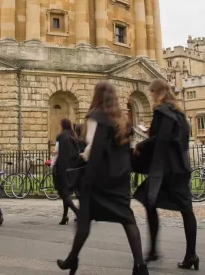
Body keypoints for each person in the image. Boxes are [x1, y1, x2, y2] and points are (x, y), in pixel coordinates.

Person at [57, 81, 148, 275]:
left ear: (97, 96)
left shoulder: (95, 117)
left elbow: (93, 149)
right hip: (121, 176)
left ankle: (73, 259)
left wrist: (86, 175)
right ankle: (140, 266)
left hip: (100, 177)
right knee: (128, 219)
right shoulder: (122, 119)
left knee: (85, 219)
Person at [133, 78, 198, 270]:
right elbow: (174, 138)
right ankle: (191, 254)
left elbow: (160, 139)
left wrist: (140, 144)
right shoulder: (179, 114)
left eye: (152, 93)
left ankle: (153, 250)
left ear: (157, 92)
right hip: (180, 167)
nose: (151, 96)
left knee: (149, 201)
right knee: (187, 210)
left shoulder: (161, 111)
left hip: (164, 169)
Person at [52, 118, 80, 225]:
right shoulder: (73, 137)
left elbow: (57, 152)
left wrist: (53, 164)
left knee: (63, 193)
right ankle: (64, 217)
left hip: (62, 168)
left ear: (62, 125)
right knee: (66, 193)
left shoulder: (60, 136)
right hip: (72, 168)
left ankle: (77, 213)